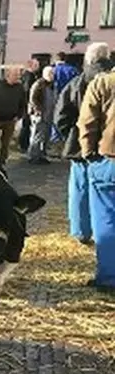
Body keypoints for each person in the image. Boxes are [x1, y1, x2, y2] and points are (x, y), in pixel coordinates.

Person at [55, 42, 111, 246]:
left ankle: (80, 231)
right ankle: (102, 232)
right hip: (108, 147)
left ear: (88, 59)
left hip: (80, 144)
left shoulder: (77, 83)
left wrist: (71, 136)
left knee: (80, 189)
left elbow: (61, 116)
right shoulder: (111, 81)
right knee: (105, 194)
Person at [76, 69, 115, 292]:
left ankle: (109, 278)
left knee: (107, 220)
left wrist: (89, 154)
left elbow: (87, 122)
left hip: (109, 160)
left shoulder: (103, 83)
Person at [27, 66, 55, 165]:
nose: (52, 76)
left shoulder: (51, 85)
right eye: (50, 74)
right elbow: (32, 98)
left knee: (45, 136)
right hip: (39, 114)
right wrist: (37, 110)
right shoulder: (39, 84)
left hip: (48, 113)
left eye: (53, 73)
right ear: (45, 74)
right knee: (37, 135)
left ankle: (42, 155)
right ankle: (33, 156)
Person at [19, 58, 41, 153]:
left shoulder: (26, 75)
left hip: (25, 103)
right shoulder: (30, 76)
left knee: (26, 124)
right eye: (37, 65)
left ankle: (24, 144)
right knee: (26, 124)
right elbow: (27, 90)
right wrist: (30, 103)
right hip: (27, 104)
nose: (38, 67)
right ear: (32, 66)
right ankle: (24, 145)